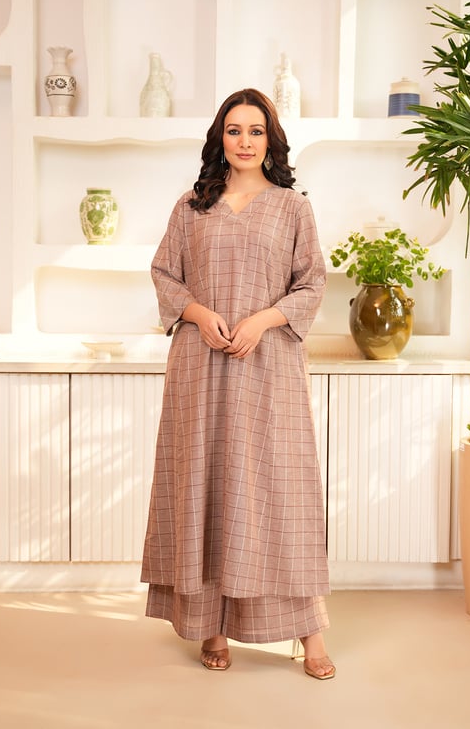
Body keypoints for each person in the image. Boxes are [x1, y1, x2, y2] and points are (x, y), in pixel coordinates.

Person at [141, 88, 335, 680]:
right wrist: (198, 314)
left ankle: (311, 633)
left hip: (270, 367)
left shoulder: (292, 207)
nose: (244, 141)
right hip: (199, 368)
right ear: (219, 138)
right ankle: (212, 626)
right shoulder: (190, 207)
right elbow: (164, 274)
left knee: (281, 494)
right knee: (206, 487)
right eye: (233, 130)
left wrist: (263, 320)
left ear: (270, 139)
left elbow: (312, 283)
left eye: (255, 130)